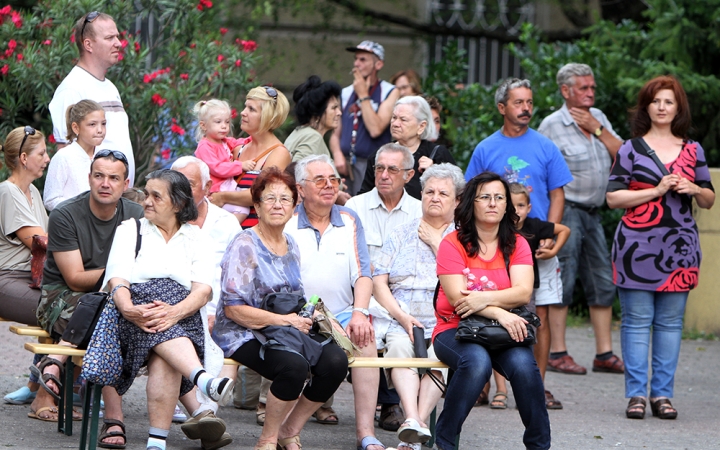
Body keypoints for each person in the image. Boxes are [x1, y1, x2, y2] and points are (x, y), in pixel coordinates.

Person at [213, 167, 348, 450]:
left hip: (283, 327)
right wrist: (285, 321)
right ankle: (268, 439)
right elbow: (234, 309)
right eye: (269, 198)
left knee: (336, 362)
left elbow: (296, 298)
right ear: (257, 206)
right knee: (293, 367)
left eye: (285, 199)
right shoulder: (245, 244)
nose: (277, 205)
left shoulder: (291, 244)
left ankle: (290, 430)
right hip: (242, 332)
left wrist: (322, 318)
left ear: (294, 206)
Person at [606, 75, 715, 420]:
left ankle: (662, 396)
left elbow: (709, 198)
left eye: (669, 101)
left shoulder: (693, 149)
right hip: (635, 249)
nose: (662, 107)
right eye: (656, 101)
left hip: (680, 249)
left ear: (678, 107)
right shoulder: (630, 148)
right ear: (647, 107)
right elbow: (612, 197)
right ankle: (636, 395)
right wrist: (654, 190)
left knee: (670, 323)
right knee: (637, 322)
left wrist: (692, 188)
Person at [102, 169, 234, 450]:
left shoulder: (197, 238)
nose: (146, 201)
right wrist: (128, 308)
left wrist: (175, 311)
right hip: (136, 317)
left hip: (181, 316)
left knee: (163, 352)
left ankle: (157, 443)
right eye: (146, 194)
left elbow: (202, 290)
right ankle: (202, 380)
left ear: (177, 203)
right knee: (158, 326)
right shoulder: (130, 230)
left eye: (155, 196)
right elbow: (118, 279)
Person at [464, 77, 573, 407]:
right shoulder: (486, 148)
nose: (526, 108)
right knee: (488, 308)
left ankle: (536, 384)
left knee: (539, 314)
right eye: (518, 102)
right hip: (495, 245)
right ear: (501, 108)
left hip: (537, 244)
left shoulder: (545, 146)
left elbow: (557, 193)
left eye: (529, 102)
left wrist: (550, 238)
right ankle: (481, 383)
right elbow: (470, 194)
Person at [32, 150, 143, 447]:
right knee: (110, 322)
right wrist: (119, 272)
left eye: (113, 178)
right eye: (99, 176)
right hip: (62, 298)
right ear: (89, 178)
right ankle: (113, 421)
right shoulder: (66, 214)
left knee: (112, 313)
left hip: (114, 298)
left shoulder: (136, 215)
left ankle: (55, 362)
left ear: (125, 182)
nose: (105, 183)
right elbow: (76, 279)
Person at [433, 171, 550, 450]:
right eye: (485, 197)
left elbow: (522, 292)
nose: (493, 203)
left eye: (499, 197)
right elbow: (458, 299)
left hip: (502, 332)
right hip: (454, 329)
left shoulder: (517, 243)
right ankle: (445, 440)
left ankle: (539, 445)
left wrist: (482, 301)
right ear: (471, 203)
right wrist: (500, 311)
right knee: (477, 363)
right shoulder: (453, 243)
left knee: (524, 367)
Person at [283, 155, 384, 450]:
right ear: (301, 188)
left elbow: (364, 275)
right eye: (320, 180)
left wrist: (359, 312)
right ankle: (284, 429)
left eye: (333, 180)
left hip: (339, 314)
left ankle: (365, 433)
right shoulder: (286, 220)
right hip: (294, 313)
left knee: (365, 339)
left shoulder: (349, 219)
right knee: (289, 350)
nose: (329, 185)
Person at [538, 63, 625, 377]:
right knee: (565, 278)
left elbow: (624, 155)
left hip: (594, 210)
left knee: (602, 278)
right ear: (565, 91)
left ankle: (604, 353)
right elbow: (544, 174)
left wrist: (597, 129)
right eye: (583, 89)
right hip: (568, 209)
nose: (590, 94)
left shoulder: (599, 117)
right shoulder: (551, 125)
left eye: (592, 88)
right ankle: (558, 352)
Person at [372, 163, 463, 450]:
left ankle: (413, 429)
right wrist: (401, 315)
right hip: (401, 319)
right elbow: (378, 282)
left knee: (440, 356)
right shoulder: (400, 233)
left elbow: (466, 286)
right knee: (399, 349)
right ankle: (414, 422)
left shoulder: (464, 238)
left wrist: (439, 245)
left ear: (457, 201)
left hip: (446, 323)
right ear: (421, 194)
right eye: (429, 191)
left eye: (443, 193)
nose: (434, 197)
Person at [172, 156, 241, 449]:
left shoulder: (226, 223)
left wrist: (218, 311)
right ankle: (204, 415)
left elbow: (236, 277)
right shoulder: (163, 220)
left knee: (224, 337)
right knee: (176, 331)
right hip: (178, 306)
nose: (180, 190)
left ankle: (205, 412)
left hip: (219, 307)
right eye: (174, 183)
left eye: (188, 184)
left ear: (209, 186)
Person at [503, 183, 570, 409]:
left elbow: (564, 230)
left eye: (521, 205)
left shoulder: (534, 226)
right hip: (501, 284)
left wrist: (552, 250)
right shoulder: (499, 227)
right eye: (511, 206)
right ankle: (493, 389)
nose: (516, 211)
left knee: (540, 322)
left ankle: (538, 383)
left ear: (529, 207)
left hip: (533, 285)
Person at [49, 11, 135, 186]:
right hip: (92, 205)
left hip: (117, 201)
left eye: (117, 37)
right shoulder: (72, 88)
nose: (118, 43)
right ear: (88, 44)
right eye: (110, 38)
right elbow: (66, 155)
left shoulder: (111, 87)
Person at [208, 86, 291, 229]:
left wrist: (222, 197)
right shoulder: (237, 149)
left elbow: (262, 194)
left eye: (251, 109)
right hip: (224, 234)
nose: (243, 113)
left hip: (256, 239)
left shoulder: (279, 153)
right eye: (245, 107)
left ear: (268, 117)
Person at [329, 40, 400, 195]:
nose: (357, 64)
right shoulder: (346, 93)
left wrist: (363, 95)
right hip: (345, 164)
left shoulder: (389, 91)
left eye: (363, 60)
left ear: (378, 65)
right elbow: (335, 132)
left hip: (372, 166)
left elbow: (375, 129)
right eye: (356, 59)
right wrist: (337, 154)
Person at [359, 96, 456, 199]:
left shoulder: (437, 154)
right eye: (394, 117)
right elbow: (365, 196)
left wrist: (434, 172)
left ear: (421, 126)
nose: (395, 124)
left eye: (403, 120)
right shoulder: (380, 155)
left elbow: (457, 192)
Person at [0, 126, 50, 326]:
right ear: (23, 158)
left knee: (83, 304)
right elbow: (42, 242)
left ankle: (51, 358)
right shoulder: (8, 192)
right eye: (41, 153)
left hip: (32, 277)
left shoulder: (34, 192)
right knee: (61, 309)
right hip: (7, 277)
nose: (47, 159)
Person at [193, 99, 256, 224]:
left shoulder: (224, 141)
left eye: (227, 122)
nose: (224, 126)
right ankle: (228, 233)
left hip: (225, 189)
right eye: (218, 122)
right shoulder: (205, 146)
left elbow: (240, 142)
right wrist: (241, 166)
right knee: (242, 209)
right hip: (214, 192)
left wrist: (255, 136)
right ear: (203, 125)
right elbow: (217, 168)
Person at [44, 100, 106, 210]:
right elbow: (50, 199)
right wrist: (78, 209)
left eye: (103, 124)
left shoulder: (105, 156)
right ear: (76, 128)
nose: (100, 130)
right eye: (92, 124)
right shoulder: (63, 157)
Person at [286, 75, 342, 162]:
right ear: (317, 113)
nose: (339, 113)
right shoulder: (313, 137)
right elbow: (296, 170)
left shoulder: (301, 132)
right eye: (334, 108)